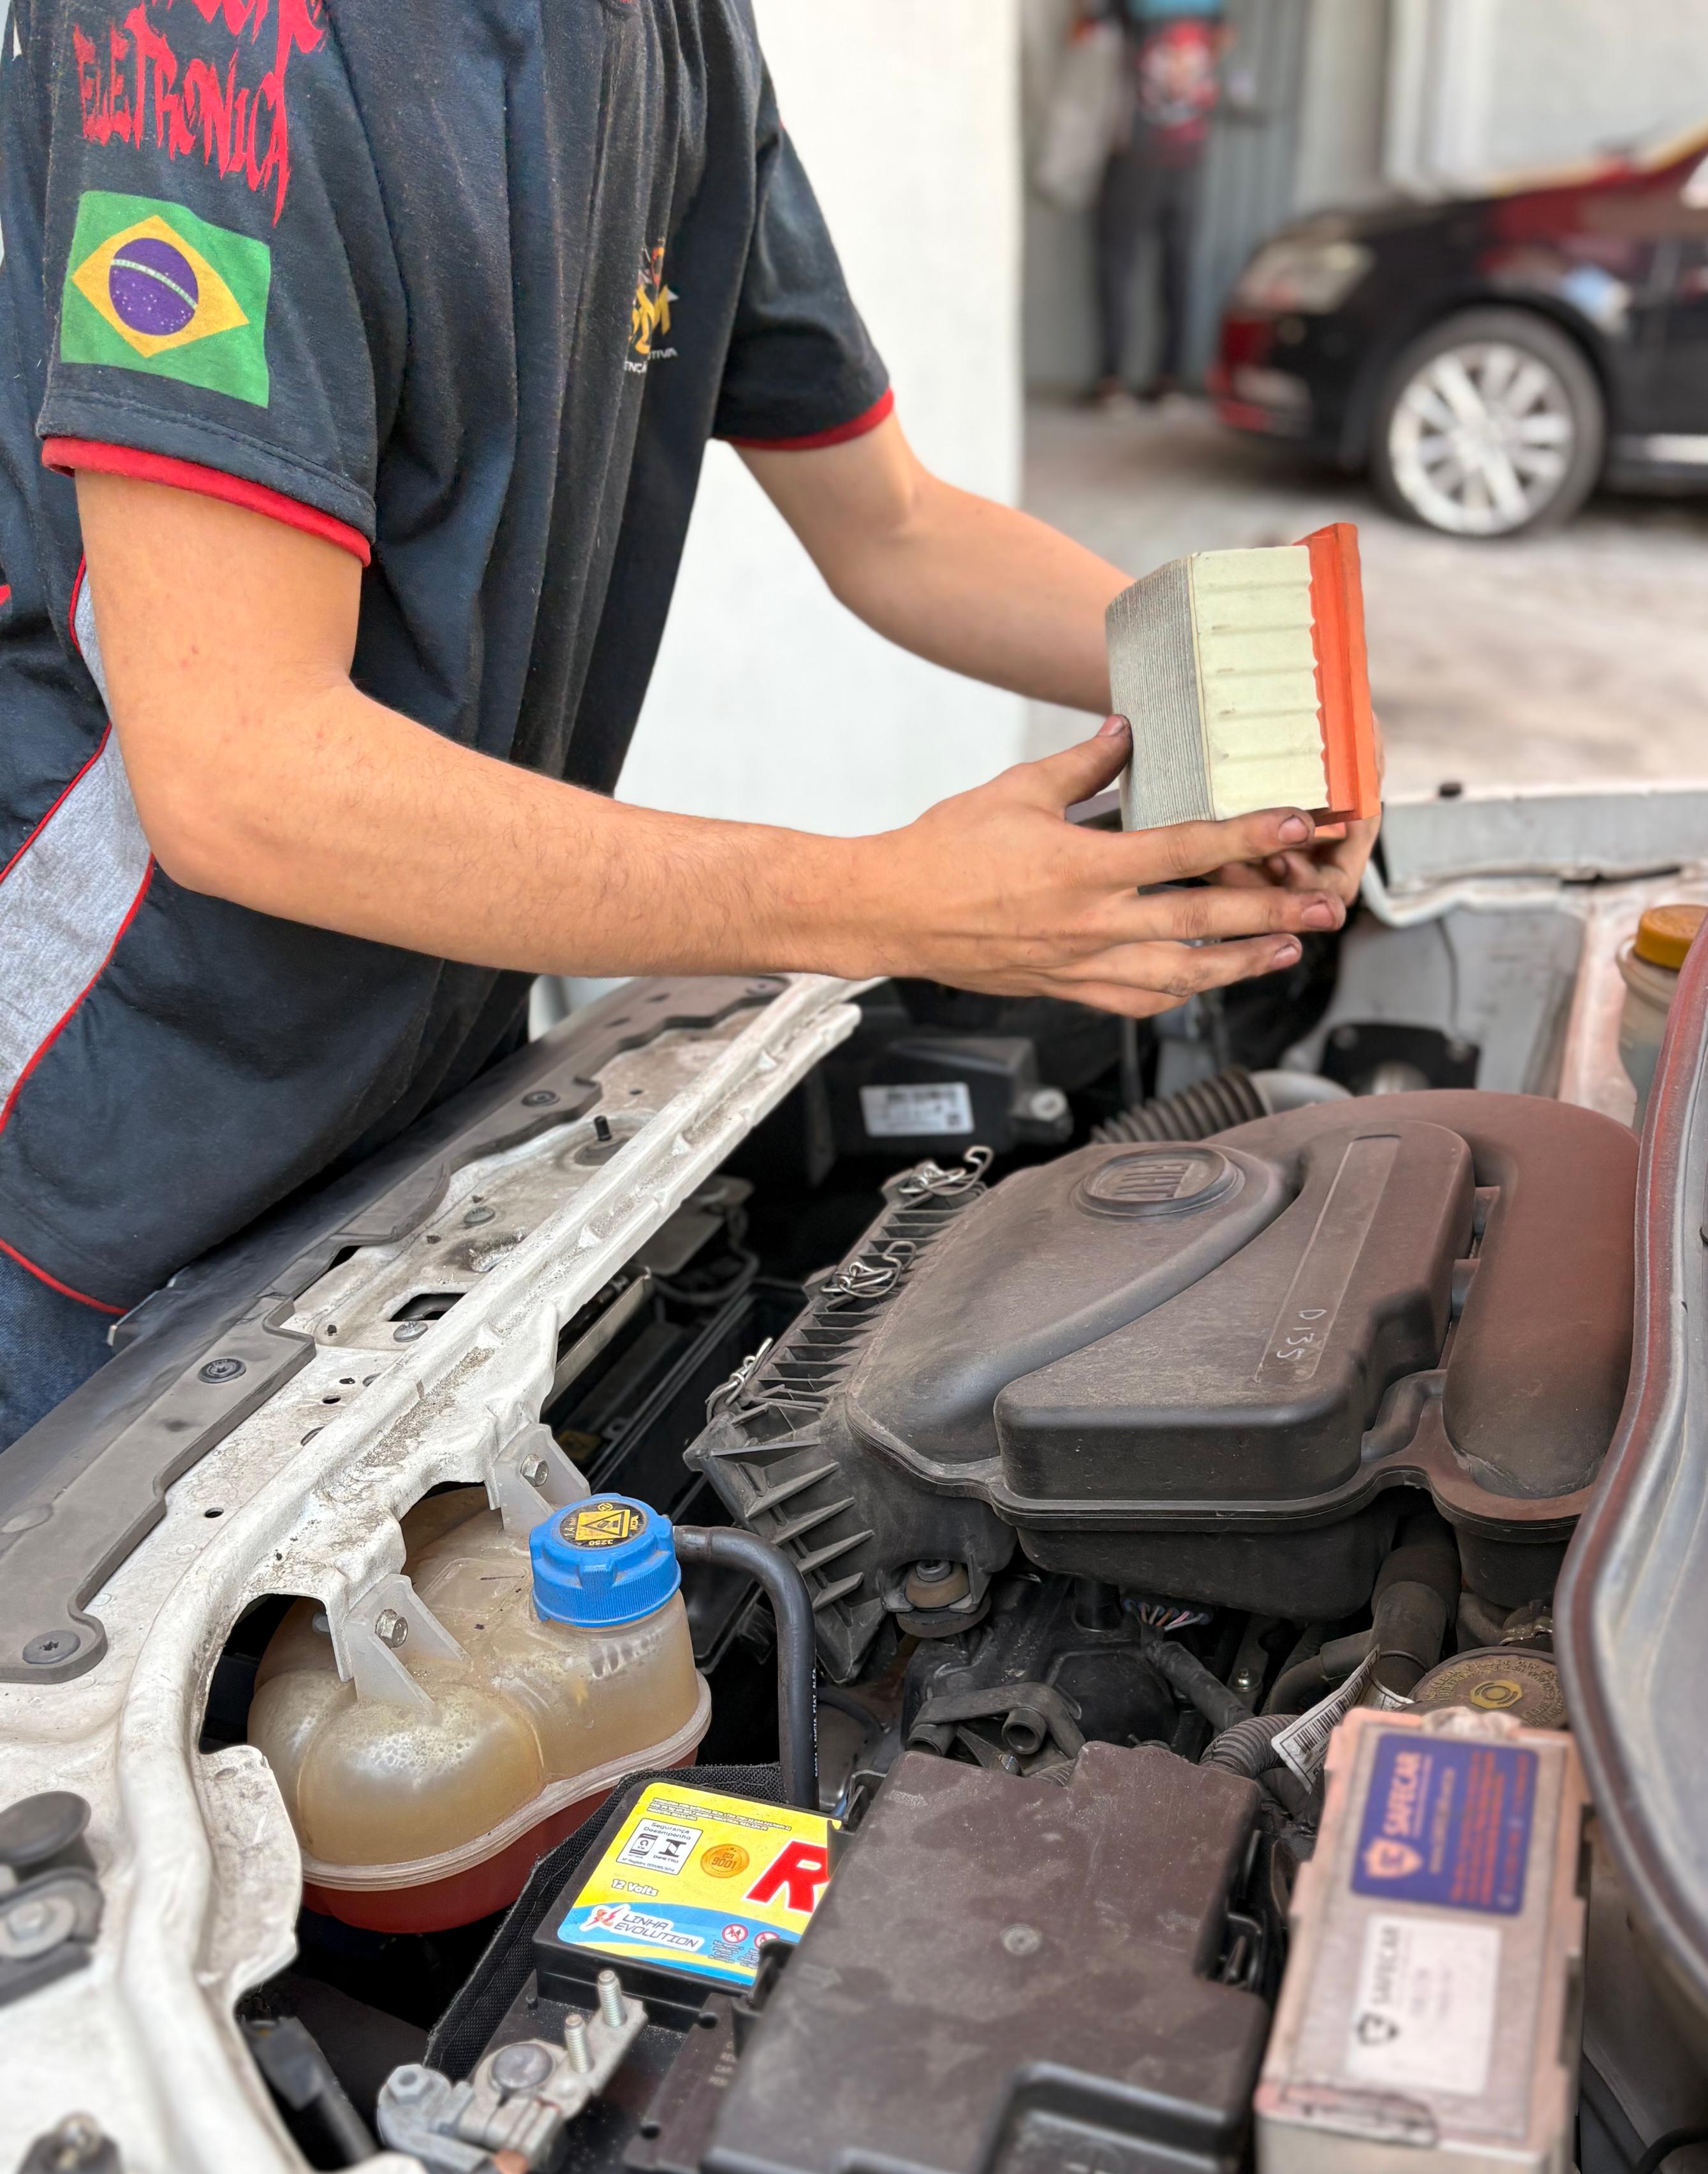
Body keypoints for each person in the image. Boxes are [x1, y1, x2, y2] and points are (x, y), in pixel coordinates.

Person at [0, 0, 1369, 1455]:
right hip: (113, 1134)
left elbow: (895, 526)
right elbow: (242, 772)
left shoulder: (677, 34)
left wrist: (1255, 692)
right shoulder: (218, 31)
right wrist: (881, 902)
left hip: (428, 1096)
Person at [1091, 0, 1228, 406]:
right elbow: (1223, 40)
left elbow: (1087, 37)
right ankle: (1170, 381)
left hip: (1136, 154)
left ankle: (1112, 382)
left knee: (1117, 266)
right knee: (1177, 268)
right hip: (1189, 153)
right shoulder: (1211, 7)